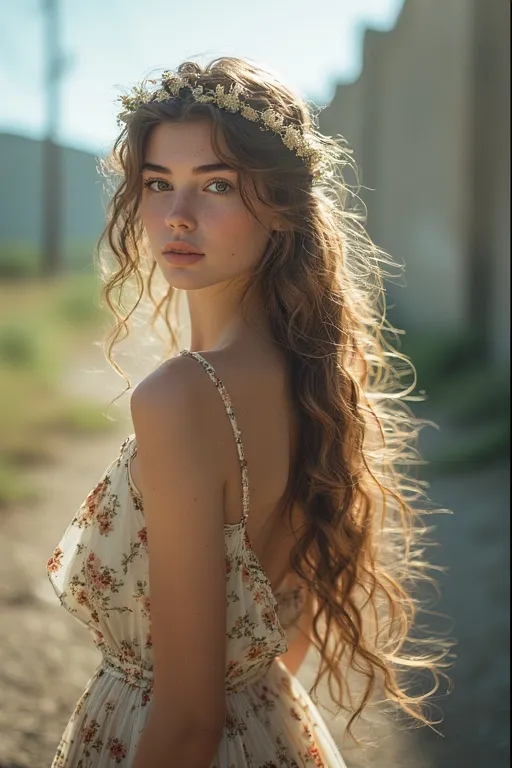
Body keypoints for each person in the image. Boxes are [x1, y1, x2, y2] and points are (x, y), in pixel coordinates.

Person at [46, 57, 449, 767]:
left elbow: (190, 719)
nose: (178, 215)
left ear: (282, 206)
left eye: (217, 185)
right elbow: (281, 634)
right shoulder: (311, 378)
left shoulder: (184, 395)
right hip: (269, 724)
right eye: (158, 183)